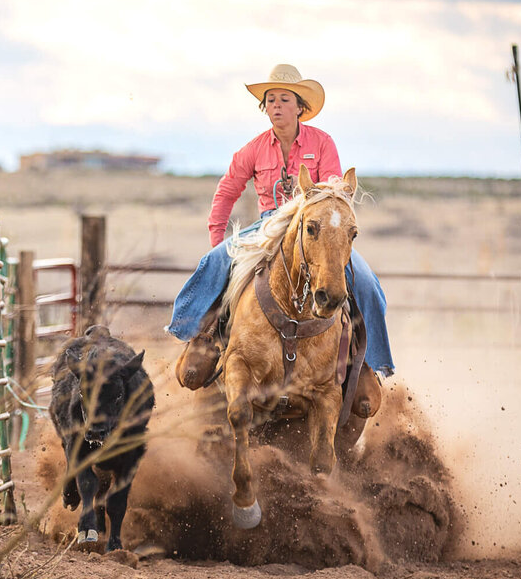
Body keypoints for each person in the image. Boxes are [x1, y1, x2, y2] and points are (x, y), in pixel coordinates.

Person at [168, 63, 394, 387]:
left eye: (284, 99)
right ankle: (199, 338)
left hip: (314, 230)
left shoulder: (323, 143)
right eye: (271, 99)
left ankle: (368, 364)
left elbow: (333, 192)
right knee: (214, 261)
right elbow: (228, 189)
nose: (276, 105)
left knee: (367, 284)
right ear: (265, 107)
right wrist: (219, 238)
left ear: (300, 106)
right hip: (267, 226)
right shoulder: (253, 149)